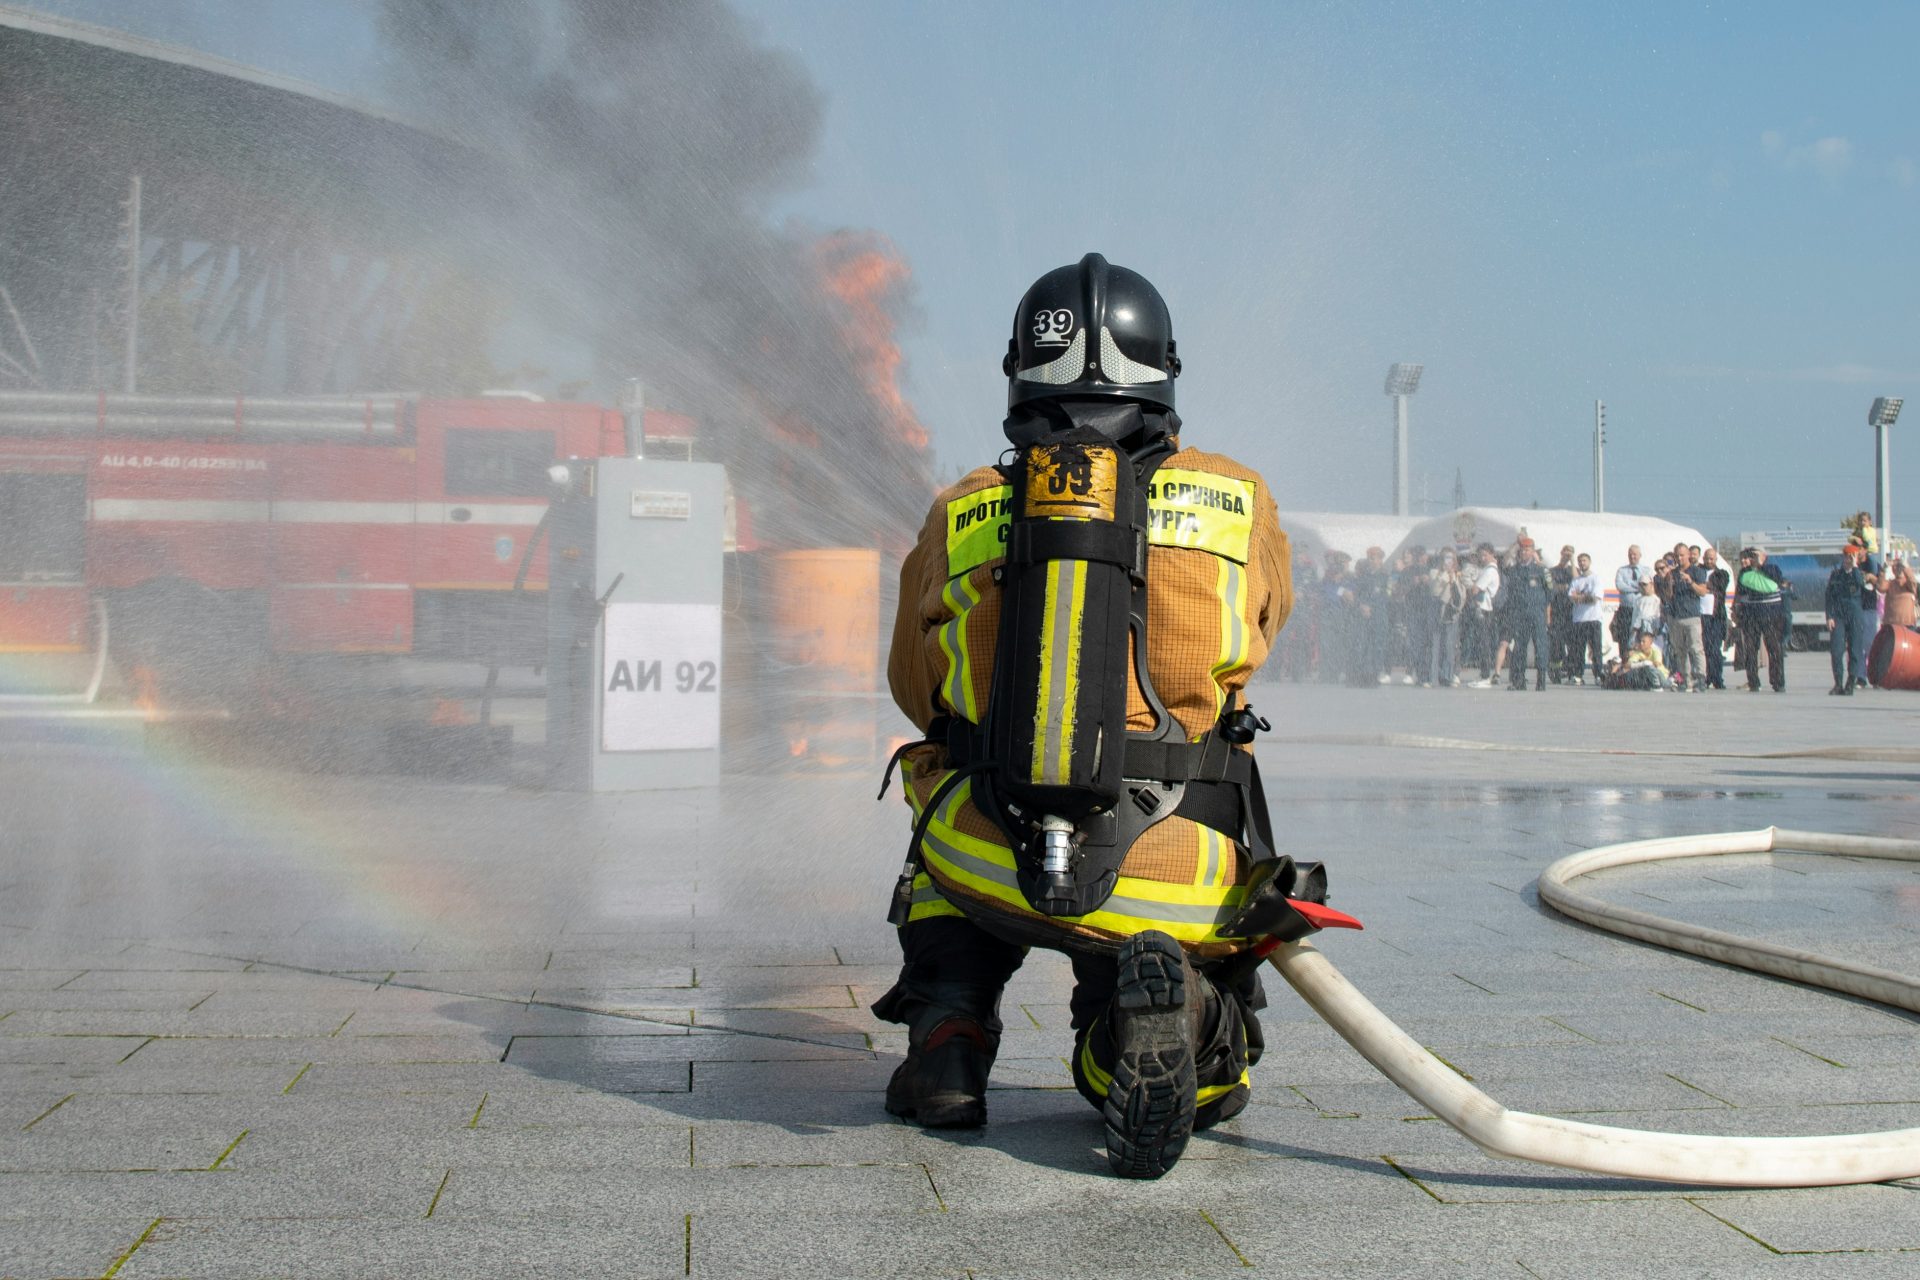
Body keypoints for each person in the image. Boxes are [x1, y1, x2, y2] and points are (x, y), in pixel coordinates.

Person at [877, 254, 1291, 1178]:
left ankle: (947, 1037)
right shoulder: (1238, 500)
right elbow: (1263, 631)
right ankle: (1164, 1015)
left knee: (942, 778)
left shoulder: (965, 507)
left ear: (1019, 370)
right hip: (1171, 864)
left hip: (988, 849)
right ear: (1164, 370)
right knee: (1213, 1074)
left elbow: (916, 688)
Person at [1736, 547, 1788, 692]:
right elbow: (1742, 592)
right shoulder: (1744, 573)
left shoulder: (1772, 568)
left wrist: (1761, 565)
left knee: (1774, 648)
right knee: (1751, 649)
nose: (1747, 560)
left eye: (1752, 556)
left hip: (1772, 613)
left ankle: (1778, 682)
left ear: (1763, 556)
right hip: (1751, 614)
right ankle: (1753, 681)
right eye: (1745, 557)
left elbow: (1777, 578)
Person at [1502, 538, 1551, 690]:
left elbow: (1550, 592)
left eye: (1528, 550)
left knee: (1540, 646)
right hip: (1520, 614)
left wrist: (1542, 607)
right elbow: (1504, 564)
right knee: (1519, 648)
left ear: (1533, 551)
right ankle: (1519, 680)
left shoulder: (1541, 570)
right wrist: (1513, 545)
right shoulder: (1514, 570)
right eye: (1522, 550)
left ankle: (1541, 680)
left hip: (1536, 614)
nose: (1524, 552)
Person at [1825, 545, 1871, 695]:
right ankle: (1838, 683)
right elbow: (1829, 597)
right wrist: (1829, 616)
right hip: (1838, 616)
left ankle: (1851, 682)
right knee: (1836, 650)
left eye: (1851, 557)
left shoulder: (1858, 574)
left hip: (1854, 615)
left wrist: (1855, 566)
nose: (1847, 560)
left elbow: (1860, 584)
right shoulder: (1836, 575)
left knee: (1855, 650)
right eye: (1846, 556)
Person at [1668, 546, 1710, 691]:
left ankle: (1701, 679)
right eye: (1677, 556)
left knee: (1696, 648)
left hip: (1692, 616)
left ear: (1688, 555)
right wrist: (1669, 584)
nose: (1679, 559)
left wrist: (1690, 582)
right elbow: (1668, 595)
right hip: (1676, 617)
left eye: (1682, 555)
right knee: (1680, 650)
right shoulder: (1673, 573)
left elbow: (1703, 592)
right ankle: (1686, 679)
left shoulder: (1697, 571)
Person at [1428, 548, 1469, 686]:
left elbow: (1462, 593)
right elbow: (1435, 590)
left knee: (1450, 645)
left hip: (1452, 612)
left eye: (1451, 558)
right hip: (1438, 611)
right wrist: (1446, 575)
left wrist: (1455, 578)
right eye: (1446, 558)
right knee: (1436, 645)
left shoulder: (1458, 574)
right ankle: (1437, 674)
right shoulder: (1435, 572)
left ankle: (1449, 674)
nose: (1448, 561)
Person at [1566, 553, 1605, 683]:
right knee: (1578, 649)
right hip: (1578, 620)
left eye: (1584, 560)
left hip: (1593, 618)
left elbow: (1594, 598)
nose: (1582, 563)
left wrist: (1580, 597)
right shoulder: (1576, 580)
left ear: (1589, 562)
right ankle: (1578, 675)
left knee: (1595, 649)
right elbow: (1571, 597)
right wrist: (1582, 597)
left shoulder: (1596, 579)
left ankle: (1598, 675)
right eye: (1580, 561)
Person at [1613, 546, 1653, 658]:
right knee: (1624, 637)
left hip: (1642, 610)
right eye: (1630, 554)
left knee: (1642, 638)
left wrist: (1629, 584)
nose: (1632, 556)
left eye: (1635, 554)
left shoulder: (1646, 570)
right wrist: (1638, 587)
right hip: (1626, 609)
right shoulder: (1622, 570)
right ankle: (1624, 662)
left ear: (1640, 555)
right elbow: (1620, 586)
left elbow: (1648, 586)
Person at [1701, 547, 1731, 690]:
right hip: (1701, 616)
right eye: (1707, 558)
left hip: (1716, 616)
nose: (1709, 561)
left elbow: (1719, 586)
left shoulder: (1722, 573)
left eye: (1712, 558)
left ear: (1716, 560)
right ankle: (1706, 677)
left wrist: (1701, 586)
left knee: (1715, 648)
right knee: (1705, 648)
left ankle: (1717, 677)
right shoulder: (1699, 572)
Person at [1548, 544, 1576, 683]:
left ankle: (1571, 671)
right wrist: (1564, 587)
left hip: (1570, 611)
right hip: (1556, 611)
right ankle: (1555, 671)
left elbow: (1577, 583)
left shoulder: (1573, 571)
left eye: (1570, 553)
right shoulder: (1552, 570)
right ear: (1561, 552)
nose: (1567, 555)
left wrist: (1573, 561)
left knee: (1571, 643)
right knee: (1556, 644)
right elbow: (1550, 587)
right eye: (1565, 552)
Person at [1884, 559, 1917, 630]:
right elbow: (1881, 587)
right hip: (1891, 623)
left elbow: (1913, 583)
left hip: (1907, 623)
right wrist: (1884, 569)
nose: (1899, 569)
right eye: (1896, 567)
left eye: (1900, 567)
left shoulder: (1908, 584)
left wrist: (1906, 567)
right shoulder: (1890, 583)